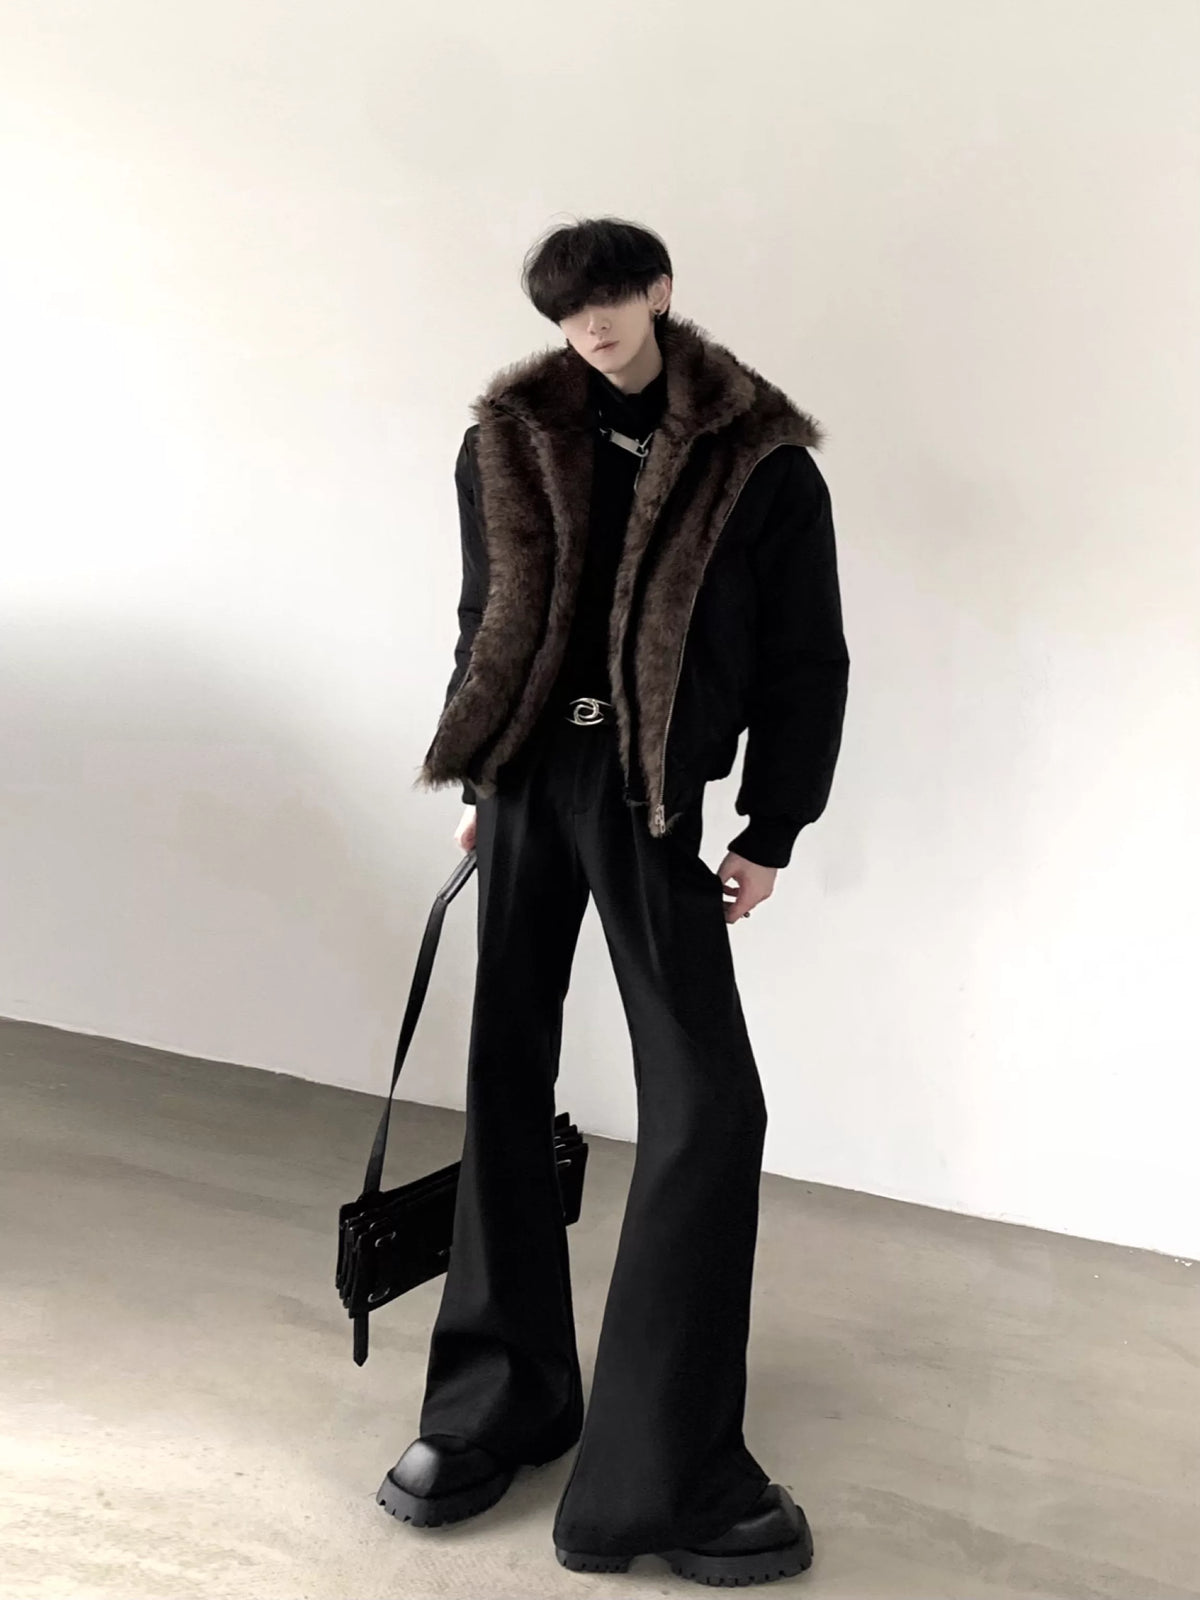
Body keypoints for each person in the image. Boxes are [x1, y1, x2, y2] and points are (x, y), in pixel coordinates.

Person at [378, 217, 849, 1585]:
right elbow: (484, 618)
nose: (590, 328)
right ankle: (497, 1400)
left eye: (610, 300)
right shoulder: (508, 438)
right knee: (503, 1074)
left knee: (709, 1105)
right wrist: (481, 769)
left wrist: (773, 826)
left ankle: (664, 1468)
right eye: (566, 310)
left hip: (652, 803)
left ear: (659, 291)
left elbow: (807, 659)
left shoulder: (758, 459)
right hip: (529, 781)